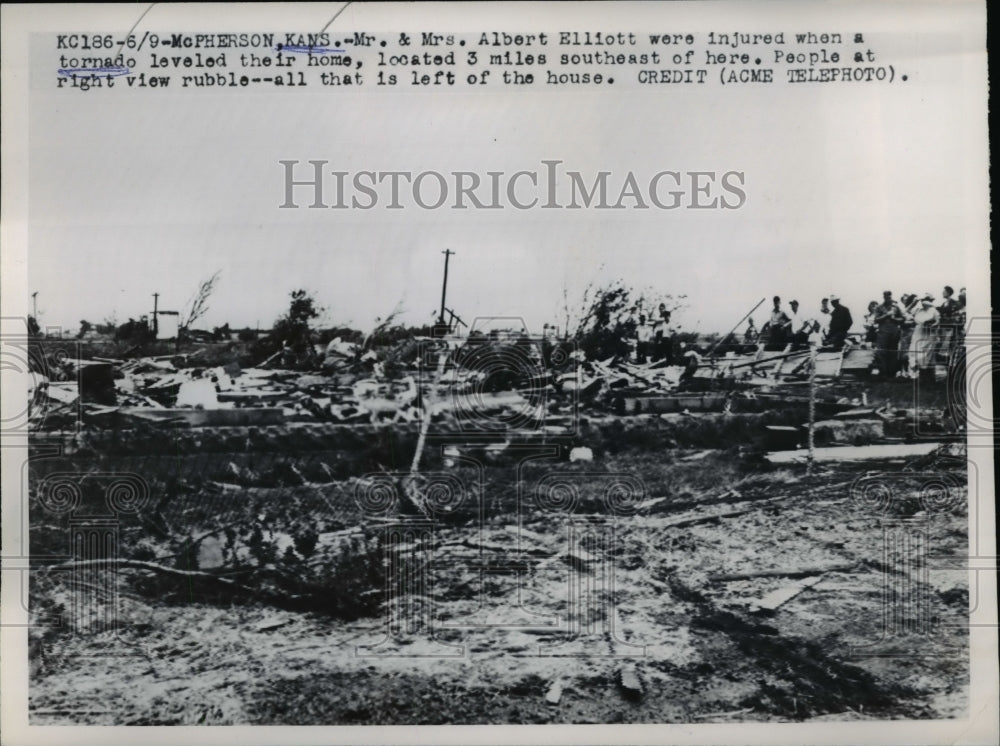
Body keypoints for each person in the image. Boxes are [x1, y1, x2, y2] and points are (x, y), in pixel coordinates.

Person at [873, 290, 905, 377]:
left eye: (889, 296)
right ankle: (883, 372)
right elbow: (876, 319)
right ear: (884, 297)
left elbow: (902, 319)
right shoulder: (879, 307)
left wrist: (894, 319)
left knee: (893, 352)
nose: (888, 298)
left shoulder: (896, 307)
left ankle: (892, 372)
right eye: (886, 296)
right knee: (882, 352)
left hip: (894, 333)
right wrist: (886, 315)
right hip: (883, 333)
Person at [909, 292, 940, 376]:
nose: (924, 302)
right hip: (918, 333)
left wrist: (931, 325)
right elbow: (907, 311)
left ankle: (927, 376)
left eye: (926, 300)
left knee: (927, 355)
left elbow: (937, 322)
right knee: (914, 351)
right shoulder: (918, 310)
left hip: (929, 334)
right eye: (922, 300)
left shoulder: (934, 311)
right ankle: (918, 373)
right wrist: (914, 302)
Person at [897, 294, 919, 376]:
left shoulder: (915, 310)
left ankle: (913, 371)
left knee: (914, 352)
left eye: (907, 300)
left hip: (914, 333)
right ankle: (904, 371)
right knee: (904, 353)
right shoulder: (902, 310)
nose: (906, 301)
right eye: (904, 300)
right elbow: (900, 321)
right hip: (905, 333)